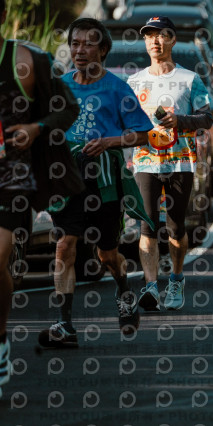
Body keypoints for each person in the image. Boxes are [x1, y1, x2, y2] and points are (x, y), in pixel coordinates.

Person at [39, 18, 154, 348]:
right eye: (75, 44)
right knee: (64, 246)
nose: (80, 50)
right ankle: (65, 324)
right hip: (67, 180)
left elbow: (144, 134)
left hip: (104, 181)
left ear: (103, 50)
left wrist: (109, 142)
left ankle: (123, 290)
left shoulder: (118, 88)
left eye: (88, 44)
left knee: (107, 254)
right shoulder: (60, 86)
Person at [0, 0, 82, 395]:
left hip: (12, 178)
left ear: (2, 16)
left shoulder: (27, 61)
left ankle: (0, 339)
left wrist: (36, 128)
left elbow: (68, 108)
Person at [128, 16, 213, 311]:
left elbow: (207, 118)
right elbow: (126, 122)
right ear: (145, 42)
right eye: (149, 36)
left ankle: (176, 279)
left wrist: (180, 120)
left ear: (173, 40)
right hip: (145, 161)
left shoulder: (190, 79)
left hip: (180, 162)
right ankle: (151, 285)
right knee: (148, 224)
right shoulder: (134, 82)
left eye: (162, 35)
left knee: (176, 226)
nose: (155, 41)